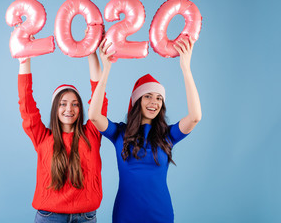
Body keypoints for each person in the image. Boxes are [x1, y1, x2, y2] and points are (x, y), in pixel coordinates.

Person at [89, 37, 202, 223]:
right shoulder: (119, 133)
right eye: (148, 96)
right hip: (125, 214)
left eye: (159, 98)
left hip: (161, 214)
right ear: (137, 101)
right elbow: (94, 116)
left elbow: (195, 116)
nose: (154, 102)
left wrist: (186, 69)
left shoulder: (168, 136)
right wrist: (107, 69)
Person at [18, 46, 108, 222]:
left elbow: (100, 98)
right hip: (49, 216)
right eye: (63, 104)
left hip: (86, 217)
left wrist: (90, 52)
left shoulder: (92, 133)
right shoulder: (42, 137)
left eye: (75, 104)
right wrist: (24, 59)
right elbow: (26, 103)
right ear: (55, 109)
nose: (69, 109)